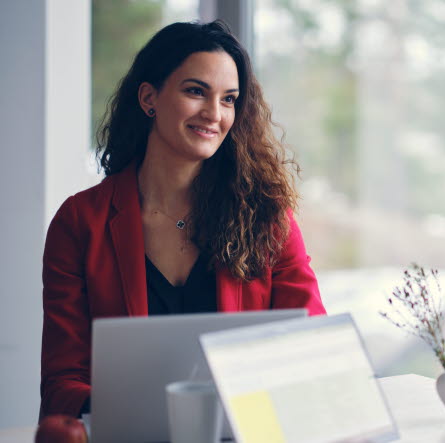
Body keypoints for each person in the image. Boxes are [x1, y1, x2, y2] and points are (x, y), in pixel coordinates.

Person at [40, 21, 326, 418]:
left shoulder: (268, 217)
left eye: (229, 99)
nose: (214, 114)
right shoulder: (79, 222)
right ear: (149, 98)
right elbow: (62, 382)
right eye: (196, 91)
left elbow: (314, 347)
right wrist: (126, 412)